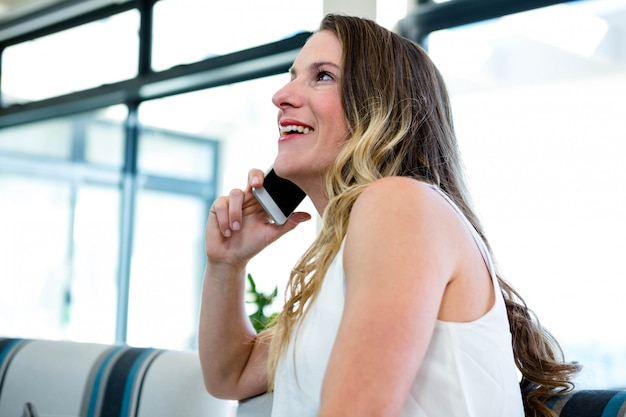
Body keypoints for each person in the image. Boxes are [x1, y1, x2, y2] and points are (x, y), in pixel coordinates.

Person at [198, 13, 580, 417]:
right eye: (292, 75)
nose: (281, 95)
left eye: (322, 76)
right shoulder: (364, 245)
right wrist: (227, 264)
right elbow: (231, 374)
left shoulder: (399, 206)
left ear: (380, 108)